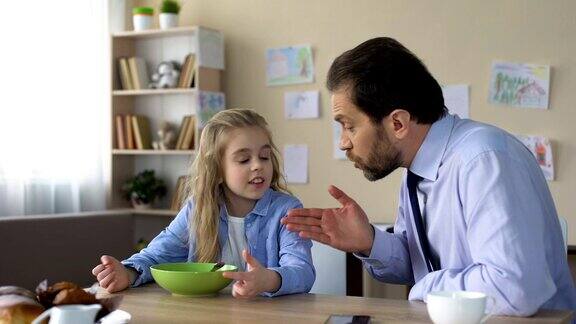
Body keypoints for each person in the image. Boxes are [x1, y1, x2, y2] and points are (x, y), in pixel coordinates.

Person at [282, 37, 576, 316]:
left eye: (349, 126)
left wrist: (426, 287)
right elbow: (420, 260)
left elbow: (514, 289)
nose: (343, 142)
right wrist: (369, 242)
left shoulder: (484, 160)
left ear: (398, 122)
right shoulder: (417, 171)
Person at [93, 109, 315, 298]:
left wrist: (269, 279)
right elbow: (156, 256)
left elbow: (302, 272)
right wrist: (127, 273)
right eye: (244, 159)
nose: (258, 165)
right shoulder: (198, 209)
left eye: (265, 156)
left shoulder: (287, 210)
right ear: (217, 170)